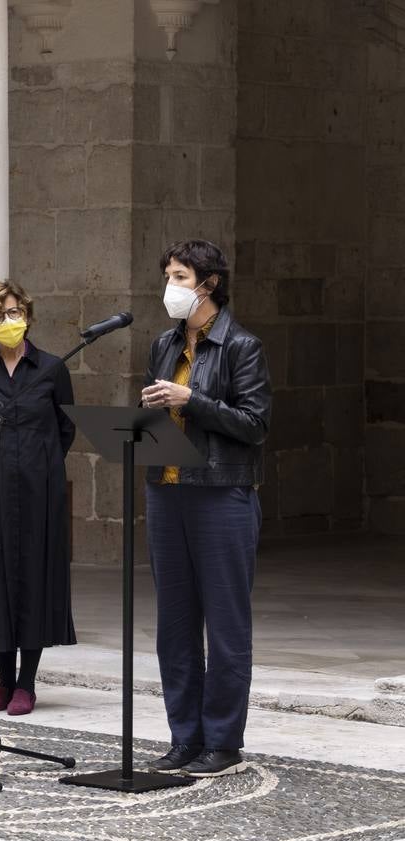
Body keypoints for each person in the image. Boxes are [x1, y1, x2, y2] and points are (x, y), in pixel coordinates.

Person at [141, 239, 270, 778]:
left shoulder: (242, 346)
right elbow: (158, 408)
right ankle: (183, 737)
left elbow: (254, 424)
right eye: (168, 276)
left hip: (221, 493)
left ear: (209, 283)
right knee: (174, 624)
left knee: (225, 624)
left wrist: (191, 401)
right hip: (166, 491)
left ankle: (222, 740)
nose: (170, 287)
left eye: (180, 276)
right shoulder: (163, 344)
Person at [0, 280, 75, 716]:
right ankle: (3, 681)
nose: (11, 321)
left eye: (16, 312)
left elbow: (66, 429)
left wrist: (37, 466)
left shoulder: (51, 368)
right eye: (1, 315)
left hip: (40, 491)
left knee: (33, 579)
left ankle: (27, 683)